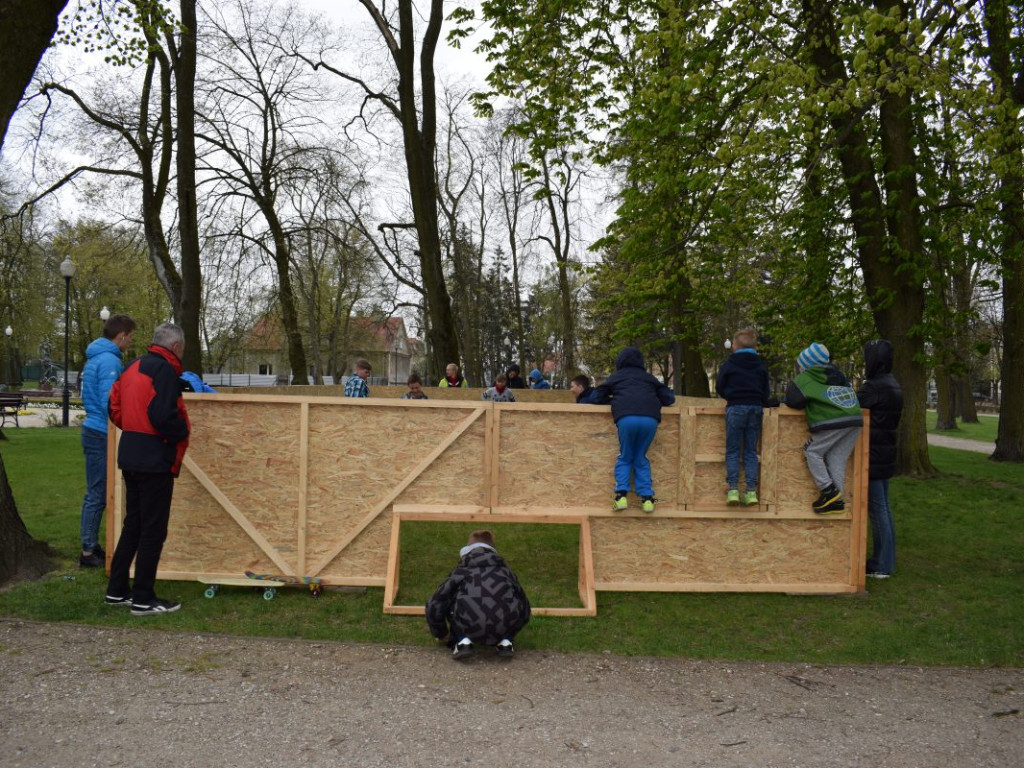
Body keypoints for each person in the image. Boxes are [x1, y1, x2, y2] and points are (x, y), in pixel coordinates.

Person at [105, 323, 191, 616]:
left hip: (130, 452)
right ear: (176, 347)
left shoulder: (131, 367)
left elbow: (113, 407)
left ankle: (117, 591)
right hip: (154, 458)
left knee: (134, 524)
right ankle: (143, 598)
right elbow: (162, 415)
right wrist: (181, 432)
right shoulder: (165, 371)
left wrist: (133, 428)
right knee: (153, 529)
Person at [78, 313, 136, 568]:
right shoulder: (110, 360)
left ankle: (91, 546)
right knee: (98, 493)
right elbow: (108, 403)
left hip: (94, 429)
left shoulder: (96, 357)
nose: (131, 342)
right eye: (130, 337)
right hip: (101, 432)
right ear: (121, 335)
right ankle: (88, 552)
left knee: (97, 491)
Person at [425, 529, 531, 660]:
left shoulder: (462, 571)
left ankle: (463, 641)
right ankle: (505, 641)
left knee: (450, 597)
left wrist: (441, 633)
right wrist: (513, 630)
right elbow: (525, 607)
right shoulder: (507, 572)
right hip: (504, 627)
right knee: (513, 599)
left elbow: (435, 603)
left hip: (469, 626)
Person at [593, 347, 676, 513]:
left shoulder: (616, 377)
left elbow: (596, 397)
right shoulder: (649, 378)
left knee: (625, 457)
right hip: (650, 419)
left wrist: (614, 399)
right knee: (640, 457)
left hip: (627, 418)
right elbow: (669, 398)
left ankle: (621, 497)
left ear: (620, 362)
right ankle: (647, 500)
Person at [783, 342, 863, 514]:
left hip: (834, 420)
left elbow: (793, 401)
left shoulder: (805, 379)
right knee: (836, 457)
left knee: (812, 452)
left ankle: (828, 490)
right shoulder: (839, 375)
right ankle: (837, 501)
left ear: (806, 365)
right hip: (855, 418)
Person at [857, 339, 903, 579]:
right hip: (885, 454)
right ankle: (886, 560)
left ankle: (881, 565)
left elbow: (850, 405)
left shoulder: (874, 387)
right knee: (883, 508)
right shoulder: (893, 384)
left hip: (873, 455)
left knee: (877, 510)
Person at [716, 329, 776, 507]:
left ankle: (733, 489)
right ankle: (751, 492)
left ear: (734, 346)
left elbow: (720, 385)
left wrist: (730, 395)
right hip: (756, 408)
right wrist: (760, 401)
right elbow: (766, 390)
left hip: (735, 408)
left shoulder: (730, 363)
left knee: (733, 450)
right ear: (754, 347)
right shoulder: (760, 365)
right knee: (750, 451)